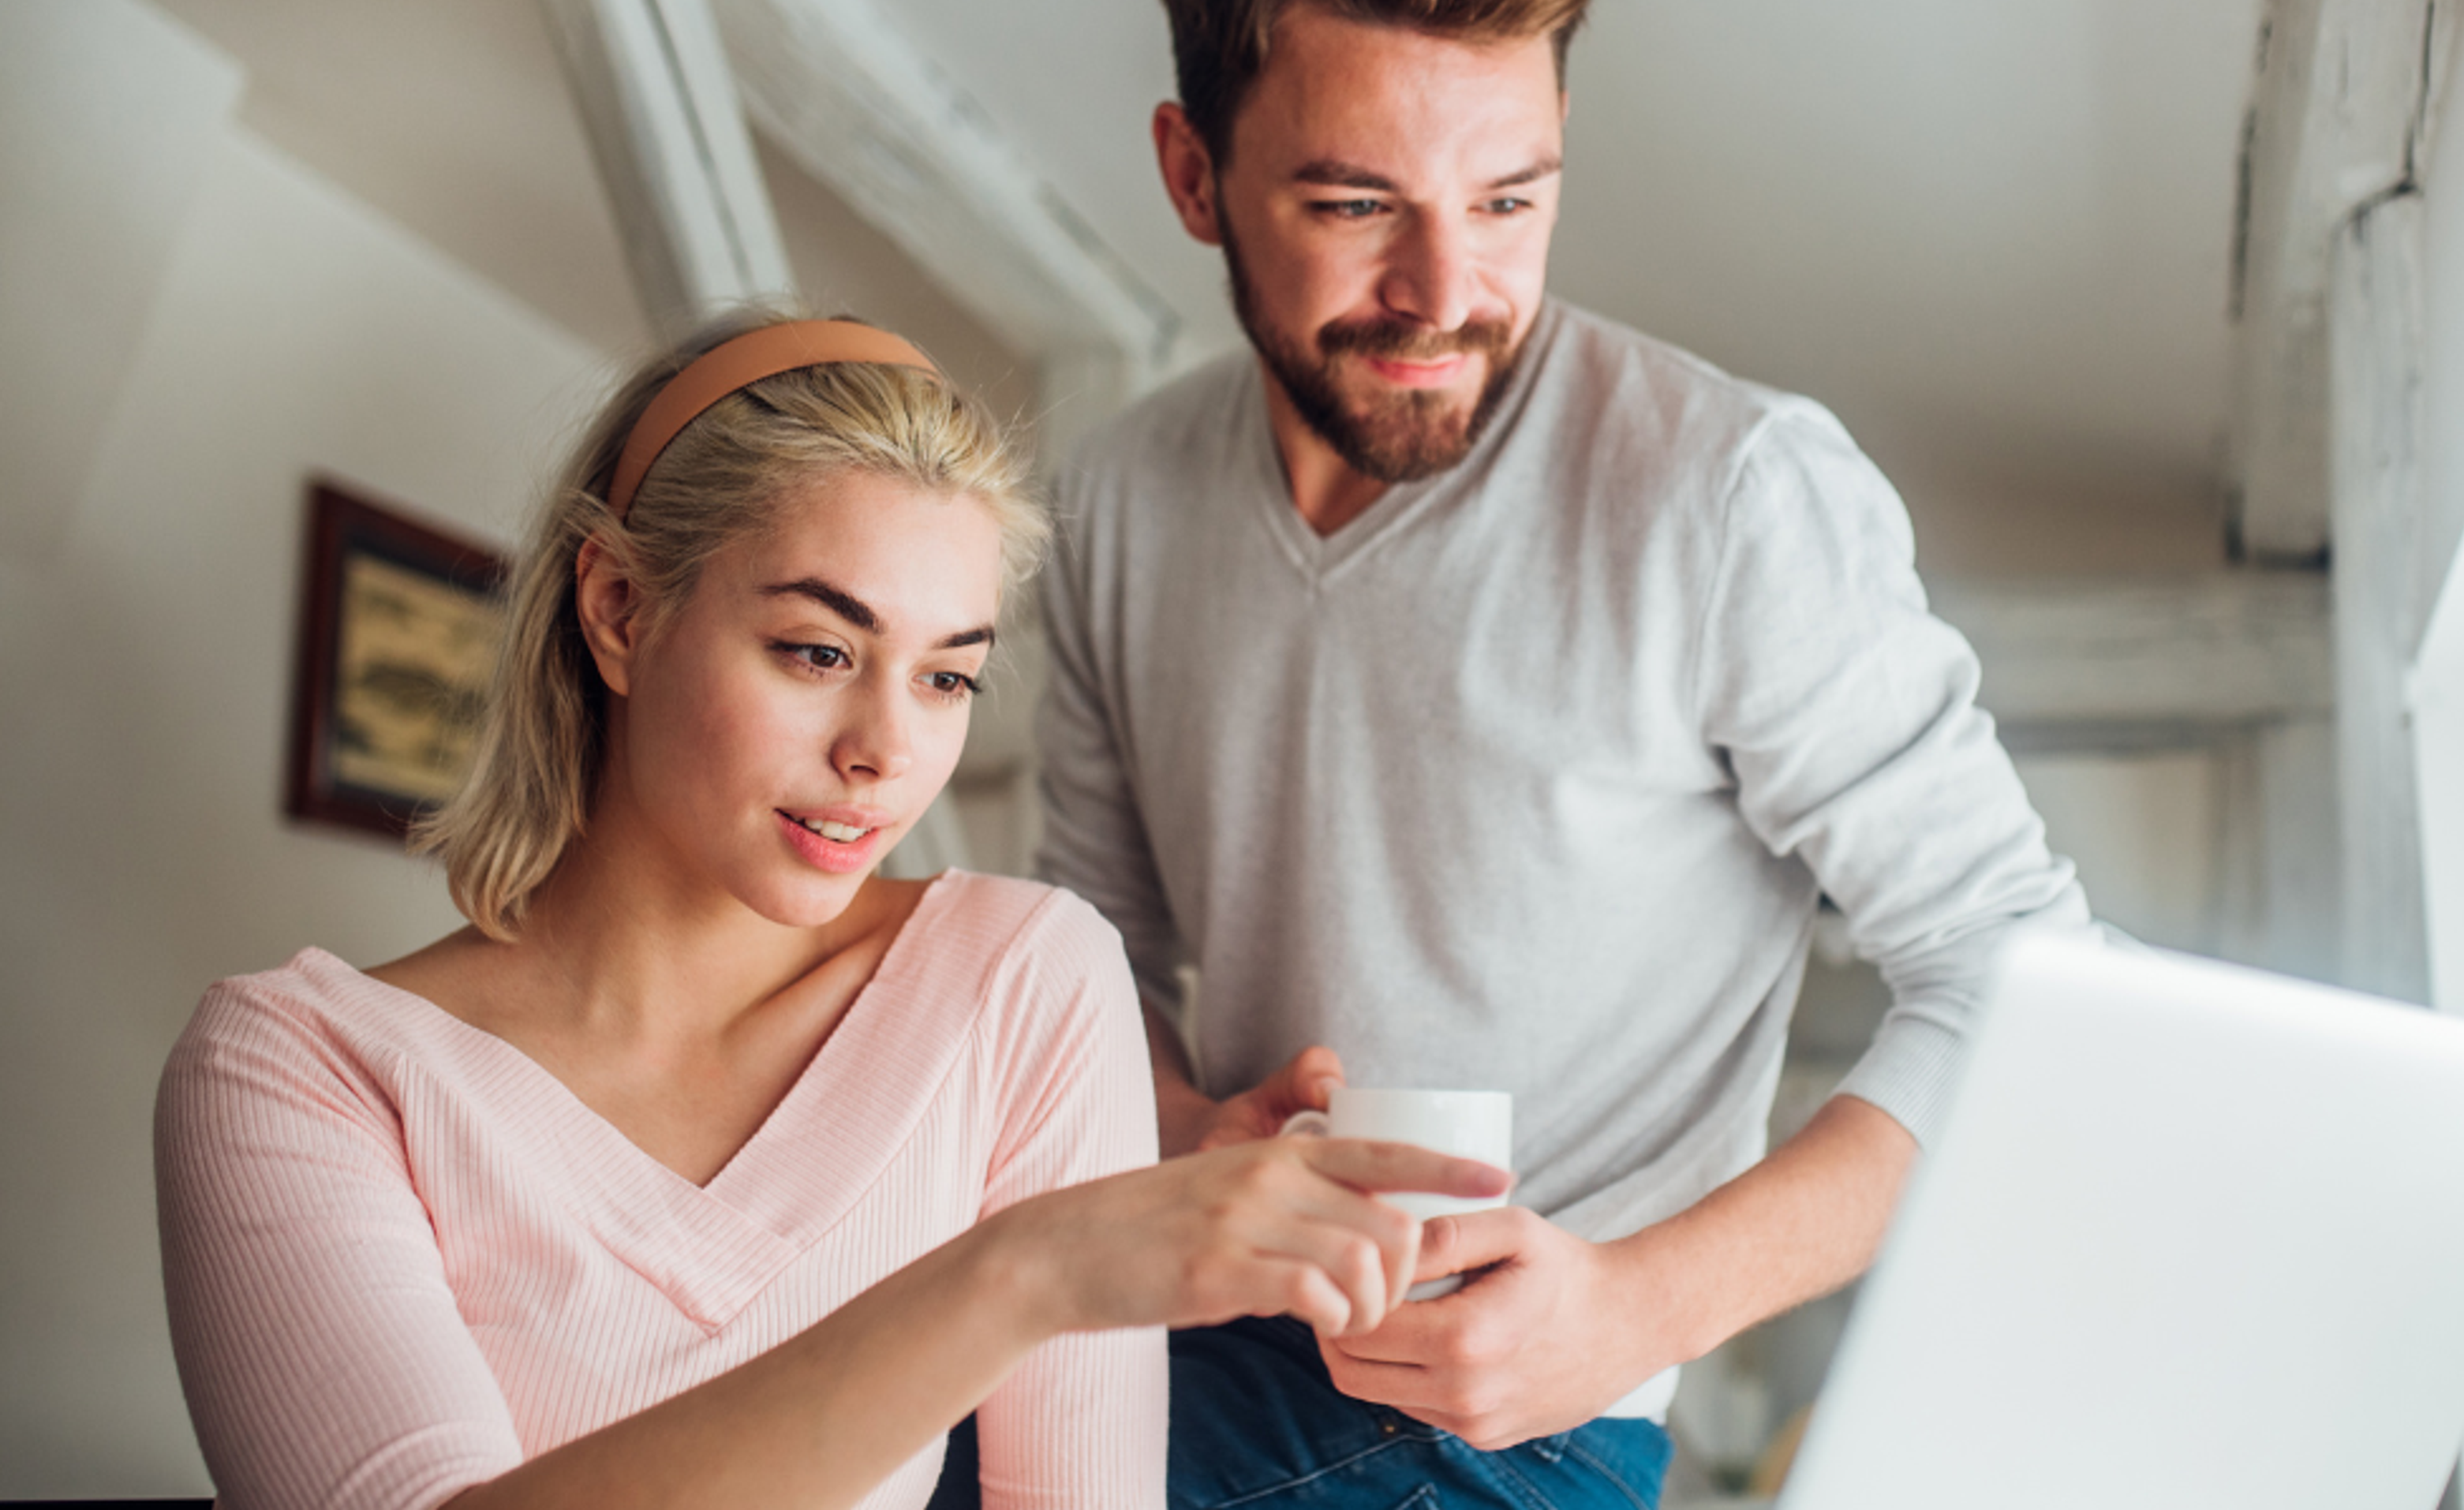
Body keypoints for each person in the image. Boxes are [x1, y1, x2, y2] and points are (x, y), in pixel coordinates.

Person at [1033, 0, 2099, 1505]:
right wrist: (1189, 1123)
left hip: (1517, 1428)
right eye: (1354, 207)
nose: (1447, 292)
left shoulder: (1731, 495)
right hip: (1175, 1332)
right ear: (1195, 178)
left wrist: (1637, 1309)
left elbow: (2032, 985)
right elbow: (1091, 961)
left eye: (1509, 201)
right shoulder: (1119, 500)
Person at [151, 312, 1509, 1510]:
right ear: (619, 608)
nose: (883, 752)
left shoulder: (1020, 983)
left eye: (945, 679)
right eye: (819, 651)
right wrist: (1020, 1274)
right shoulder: (305, 1068)